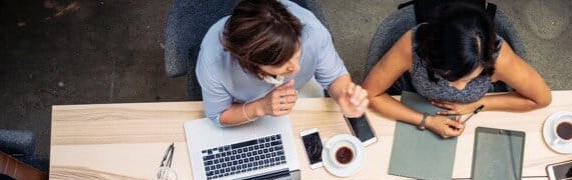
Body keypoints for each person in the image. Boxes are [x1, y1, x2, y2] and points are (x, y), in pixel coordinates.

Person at [363, 2, 551, 139]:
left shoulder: (498, 56)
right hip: (416, 104)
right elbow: (370, 94)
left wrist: (477, 105)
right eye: (449, 77)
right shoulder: (412, 46)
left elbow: (542, 98)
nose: (459, 88)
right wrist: (426, 121)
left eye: (471, 78)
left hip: (480, 118)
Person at [196, 0, 368, 126]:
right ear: (249, 61)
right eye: (282, 63)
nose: (297, 68)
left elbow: (334, 77)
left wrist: (342, 96)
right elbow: (219, 115)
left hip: (300, 92)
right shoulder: (213, 64)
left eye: (297, 55)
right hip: (244, 105)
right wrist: (260, 108)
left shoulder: (312, 32)